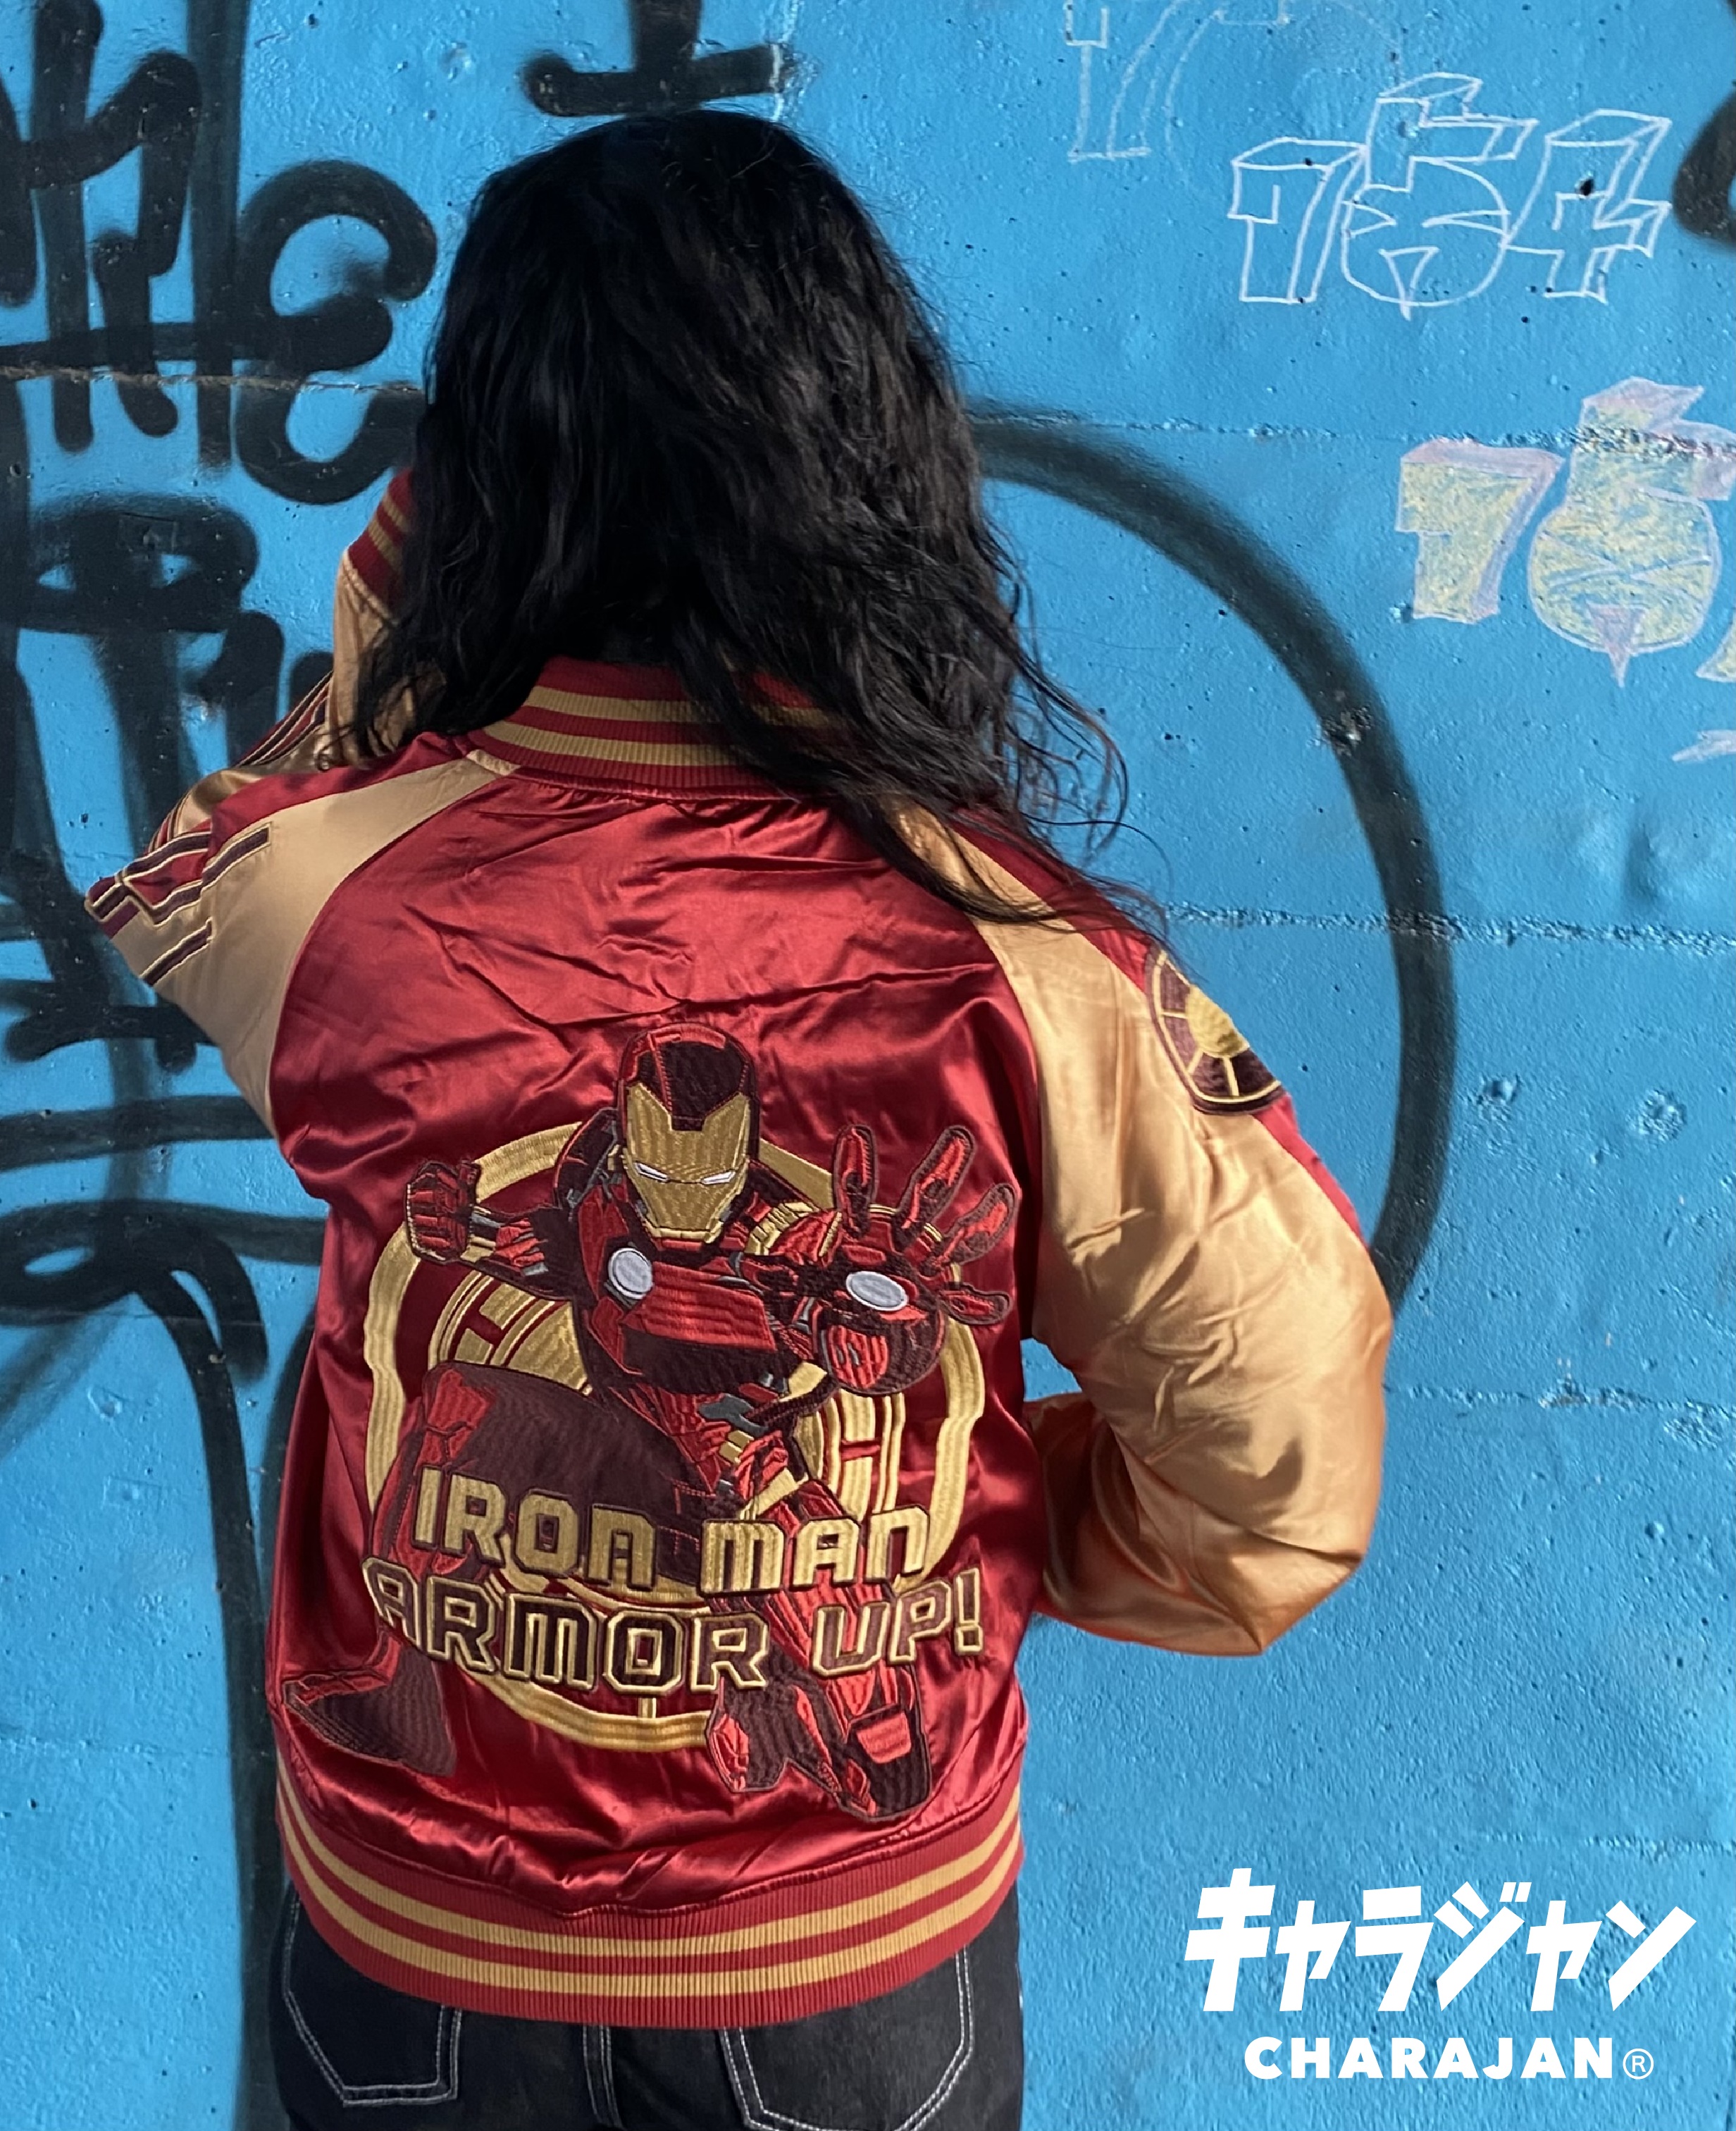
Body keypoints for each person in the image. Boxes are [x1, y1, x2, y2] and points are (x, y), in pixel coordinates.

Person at [88, 108, 1388, 2131]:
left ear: (476, 472)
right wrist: (993, 1512)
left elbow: (227, 835)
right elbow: (1280, 1477)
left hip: (419, 1950)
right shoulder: (1026, 965)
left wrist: (430, 579)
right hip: (846, 1967)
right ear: (877, 470)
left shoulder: (324, 908)